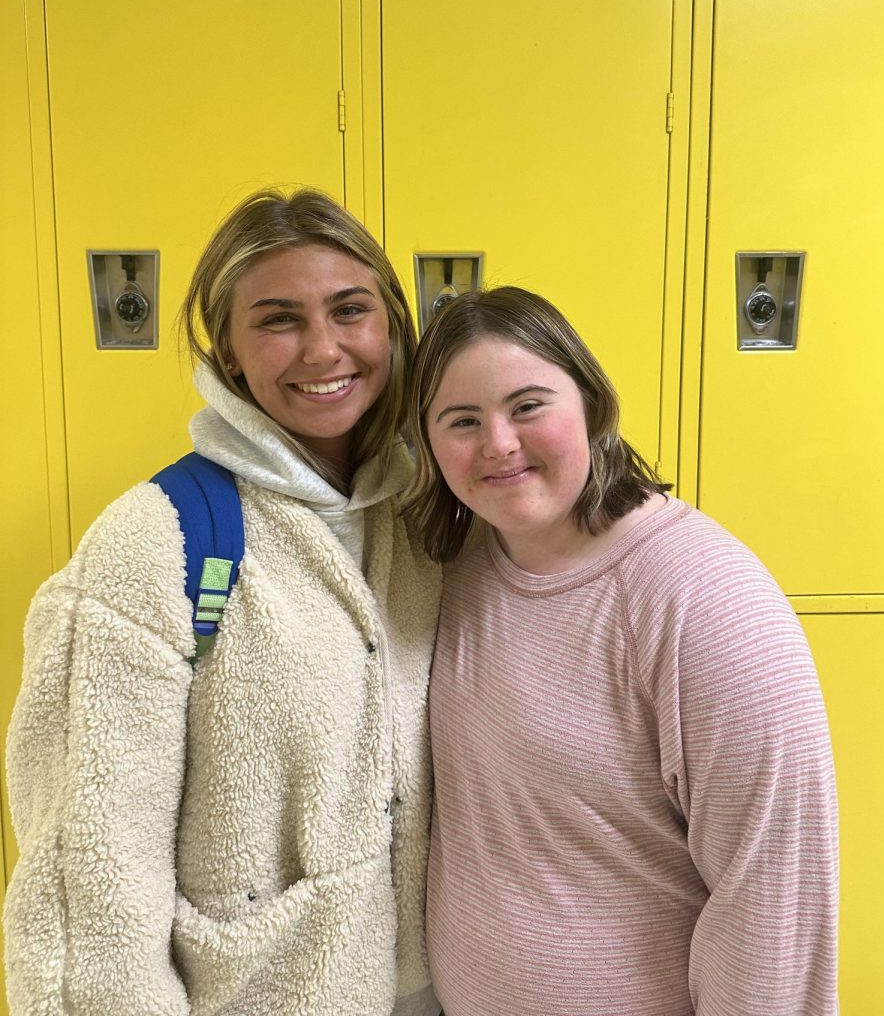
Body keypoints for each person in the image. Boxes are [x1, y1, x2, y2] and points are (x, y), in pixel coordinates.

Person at [4, 189, 442, 1016]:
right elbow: (91, 878)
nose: (323, 349)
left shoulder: (426, 520)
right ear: (230, 352)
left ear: (389, 322)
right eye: (278, 320)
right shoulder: (156, 542)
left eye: (351, 310)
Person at [404, 285, 838, 1016]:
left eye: (529, 406)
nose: (499, 444)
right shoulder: (454, 568)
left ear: (592, 405)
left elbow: (775, 908)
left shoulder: (707, 600)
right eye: (462, 420)